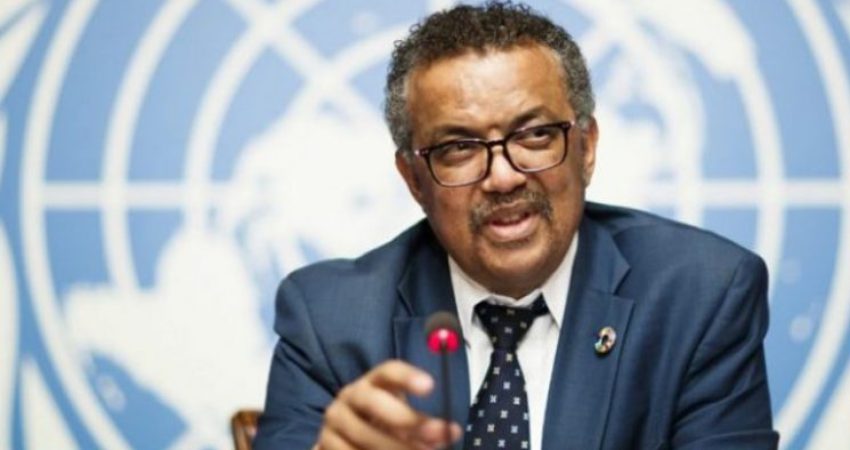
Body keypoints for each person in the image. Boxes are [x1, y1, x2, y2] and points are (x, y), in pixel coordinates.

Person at [254, 2, 778, 449]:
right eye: (459, 147)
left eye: (534, 135)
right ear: (414, 179)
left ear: (587, 148)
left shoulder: (701, 294)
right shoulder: (330, 320)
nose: (503, 178)